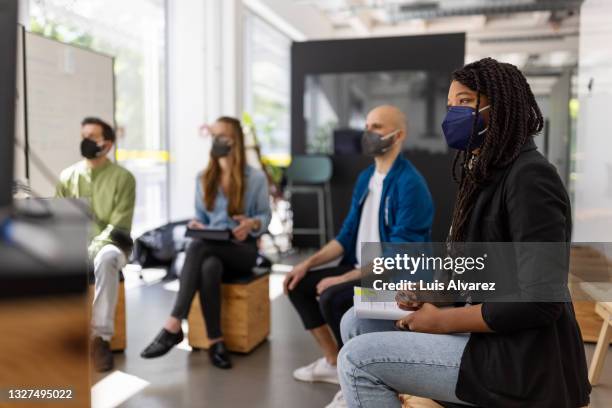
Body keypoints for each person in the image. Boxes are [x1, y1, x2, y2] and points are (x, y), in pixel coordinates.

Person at [334, 58, 591, 408]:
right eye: (450, 105)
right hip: (482, 333)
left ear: (500, 107)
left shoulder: (531, 177)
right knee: (356, 319)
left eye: (466, 102)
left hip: (518, 359)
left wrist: (443, 320)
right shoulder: (485, 173)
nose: (453, 114)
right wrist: (433, 293)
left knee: (355, 360)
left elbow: (539, 302)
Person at [284, 105, 434, 386]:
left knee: (332, 296)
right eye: (367, 127)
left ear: (398, 135)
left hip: (395, 280)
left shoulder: (410, 184)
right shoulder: (366, 178)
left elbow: (397, 258)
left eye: (376, 127)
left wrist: (341, 278)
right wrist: (306, 264)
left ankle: (351, 375)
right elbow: (345, 237)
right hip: (361, 268)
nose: (368, 133)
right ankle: (333, 362)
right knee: (296, 283)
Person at [141, 116, 271, 369]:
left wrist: (252, 224)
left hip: (242, 250)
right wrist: (198, 225)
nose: (216, 141)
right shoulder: (203, 178)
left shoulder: (254, 178)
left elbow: (265, 215)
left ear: (235, 141)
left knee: (198, 248)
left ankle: (174, 323)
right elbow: (200, 217)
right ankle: (216, 342)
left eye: (222, 136)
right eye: (213, 136)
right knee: (208, 265)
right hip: (212, 245)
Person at [56, 117, 136, 372]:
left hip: (113, 244)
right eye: (83, 136)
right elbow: (60, 217)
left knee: (106, 257)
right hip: (76, 243)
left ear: (107, 144)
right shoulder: (67, 176)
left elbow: (119, 225)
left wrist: (90, 248)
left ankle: (100, 338)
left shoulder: (124, 178)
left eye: (92, 136)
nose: (86, 141)